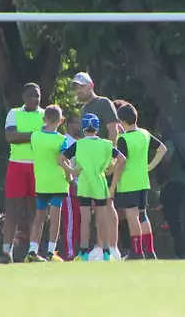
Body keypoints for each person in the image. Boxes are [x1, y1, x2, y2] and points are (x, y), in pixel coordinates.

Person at [59, 113, 126, 262]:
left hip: (84, 184)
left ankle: (83, 253)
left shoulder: (78, 144)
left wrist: (71, 171)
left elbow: (61, 159)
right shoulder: (106, 144)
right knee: (102, 218)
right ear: (97, 128)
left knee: (85, 219)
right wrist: (110, 170)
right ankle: (107, 252)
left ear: (83, 127)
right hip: (99, 183)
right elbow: (122, 159)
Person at [72, 72, 122, 260]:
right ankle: (101, 246)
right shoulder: (84, 109)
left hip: (103, 162)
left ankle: (112, 248)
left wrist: (111, 159)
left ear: (91, 85)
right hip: (91, 165)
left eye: (81, 86)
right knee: (97, 206)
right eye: (76, 87)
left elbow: (113, 129)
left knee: (107, 203)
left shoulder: (103, 103)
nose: (78, 90)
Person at [0, 83, 44, 264]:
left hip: (38, 167)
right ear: (23, 97)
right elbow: (10, 137)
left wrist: (23, 135)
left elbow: (47, 138)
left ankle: (33, 252)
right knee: (13, 210)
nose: (34, 99)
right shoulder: (14, 113)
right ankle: (7, 252)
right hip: (17, 166)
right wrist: (35, 135)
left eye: (37, 96)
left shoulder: (45, 115)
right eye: (30, 96)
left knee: (36, 210)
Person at [115, 103, 167, 259]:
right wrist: (150, 166)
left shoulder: (123, 138)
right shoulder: (144, 133)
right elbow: (162, 149)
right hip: (143, 181)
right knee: (143, 215)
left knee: (132, 216)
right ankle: (150, 251)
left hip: (128, 182)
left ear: (122, 121)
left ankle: (137, 251)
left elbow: (121, 161)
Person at [25, 105, 69, 262]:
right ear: (61, 121)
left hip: (41, 182)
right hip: (58, 182)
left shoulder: (35, 137)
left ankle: (32, 250)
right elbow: (64, 160)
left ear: (44, 119)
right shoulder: (62, 140)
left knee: (39, 217)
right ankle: (51, 251)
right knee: (55, 218)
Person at [155, 127, 185, 260]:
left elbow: (165, 158)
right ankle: (182, 251)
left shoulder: (170, 142)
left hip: (174, 183)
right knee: (178, 219)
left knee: (173, 219)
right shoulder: (183, 141)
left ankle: (180, 252)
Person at [61, 112, 81, 260]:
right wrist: (72, 181)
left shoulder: (84, 142)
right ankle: (69, 252)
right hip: (70, 187)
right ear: (69, 125)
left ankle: (81, 251)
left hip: (84, 188)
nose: (78, 126)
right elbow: (64, 163)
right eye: (76, 122)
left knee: (81, 220)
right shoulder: (66, 141)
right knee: (70, 220)